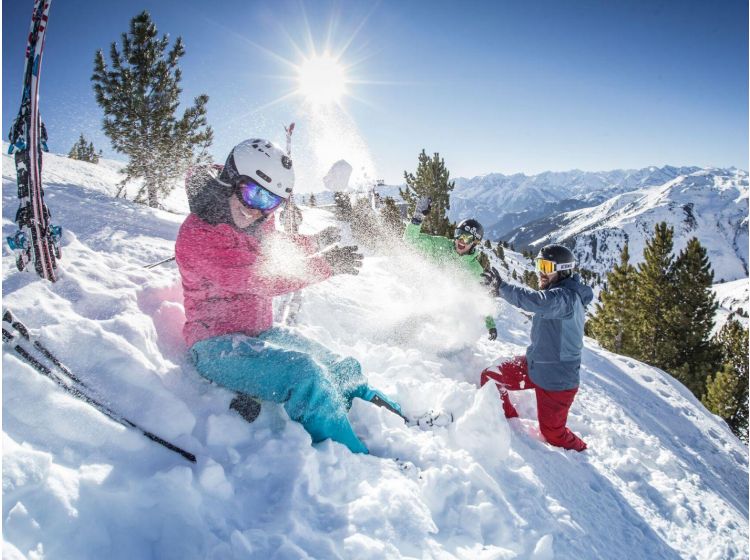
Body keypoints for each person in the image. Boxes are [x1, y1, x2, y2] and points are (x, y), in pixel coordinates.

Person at [175, 137, 400, 454]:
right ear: (231, 178)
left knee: (338, 365)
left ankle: (397, 420)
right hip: (215, 345)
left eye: (271, 203)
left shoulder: (256, 220)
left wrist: (317, 241)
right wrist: (325, 266)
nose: (257, 210)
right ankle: (357, 459)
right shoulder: (201, 236)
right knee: (305, 375)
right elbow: (259, 280)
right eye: (254, 193)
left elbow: (278, 249)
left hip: (259, 332)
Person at [480, 244, 593, 452]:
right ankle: (509, 423)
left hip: (557, 381)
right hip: (534, 365)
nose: (541, 271)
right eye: (539, 264)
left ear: (563, 270)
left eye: (547, 267)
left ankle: (582, 450)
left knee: (553, 434)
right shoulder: (556, 295)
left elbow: (536, 302)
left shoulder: (565, 298)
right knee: (490, 377)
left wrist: (502, 288)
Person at [403, 196, 498, 340]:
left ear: (475, 243)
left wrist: (490, 325)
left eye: (467, 239)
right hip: (422, 305)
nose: (461, 241)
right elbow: (410, 240)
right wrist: (417, 218)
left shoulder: (475, 269)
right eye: (459, 235)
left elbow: (482, 298)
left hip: (446, 320)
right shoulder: (440, 245)